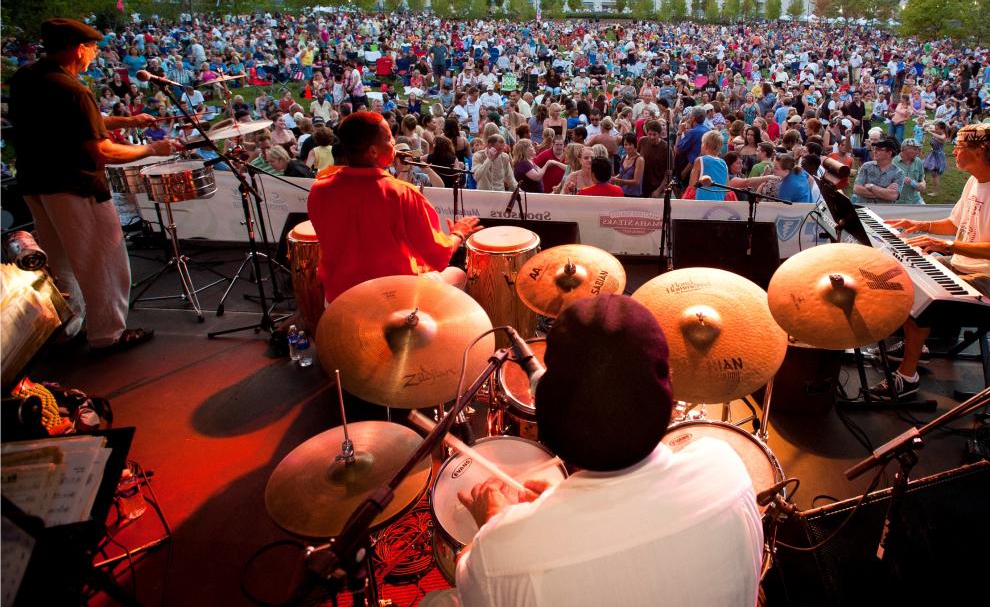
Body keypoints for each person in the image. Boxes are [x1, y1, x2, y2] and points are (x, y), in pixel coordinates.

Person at [430, 295, 763, 607]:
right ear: (669, 398)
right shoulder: (725, 470)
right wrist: (554, 508)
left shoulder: (501, 558)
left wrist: (494, 524)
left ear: (550, 418)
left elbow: (471, 576)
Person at [8, 19, 175, 352]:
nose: (95, 54)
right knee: (103, 260)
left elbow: (70, 123)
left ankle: (69, 328)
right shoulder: (74, 90)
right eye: (93, 48)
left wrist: (127, 120)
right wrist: (152, 149)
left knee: (62, 261)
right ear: (78, 48)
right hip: (75, 186)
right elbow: (102, 151)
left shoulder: (27, 78)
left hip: (36, 184)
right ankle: (108, 335)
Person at [876, 124, 990, 399]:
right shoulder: (976, 179)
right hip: (965, 263)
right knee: (903, 271)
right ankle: (920, 346)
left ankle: (908, 377)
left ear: (980, 152)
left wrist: (945, 246)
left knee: (927, 293)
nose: (954, 151)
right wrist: (920, 225)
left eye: (961, 147)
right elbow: (955, 223)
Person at [306, 112, 478, 302]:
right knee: (457, 274)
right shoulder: (402, 194)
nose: (394, 144)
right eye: (389, 139)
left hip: (339, 298)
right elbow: (439, 256)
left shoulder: (319, 189)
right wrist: (458, 234)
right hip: (393, 299)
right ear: (373, 151)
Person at [851, 137, 903, 204]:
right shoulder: (866, 166)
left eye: (879, 149)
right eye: (875, 149)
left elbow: (893, 195)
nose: (874, 151)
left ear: (889, 153)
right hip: (864, 209)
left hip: (884, 212)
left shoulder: (898, 173)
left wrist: (871, 186)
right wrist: (885, 191)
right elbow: (857, 189)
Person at [894, 138, 927, 205]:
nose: (918, 152)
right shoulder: (893, 162)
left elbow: (922, 178)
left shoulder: (918, 161)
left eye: (918, 149)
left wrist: (922, 184)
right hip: (897, 202)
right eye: (915, 149)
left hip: (915, 199)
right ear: (904, 149)